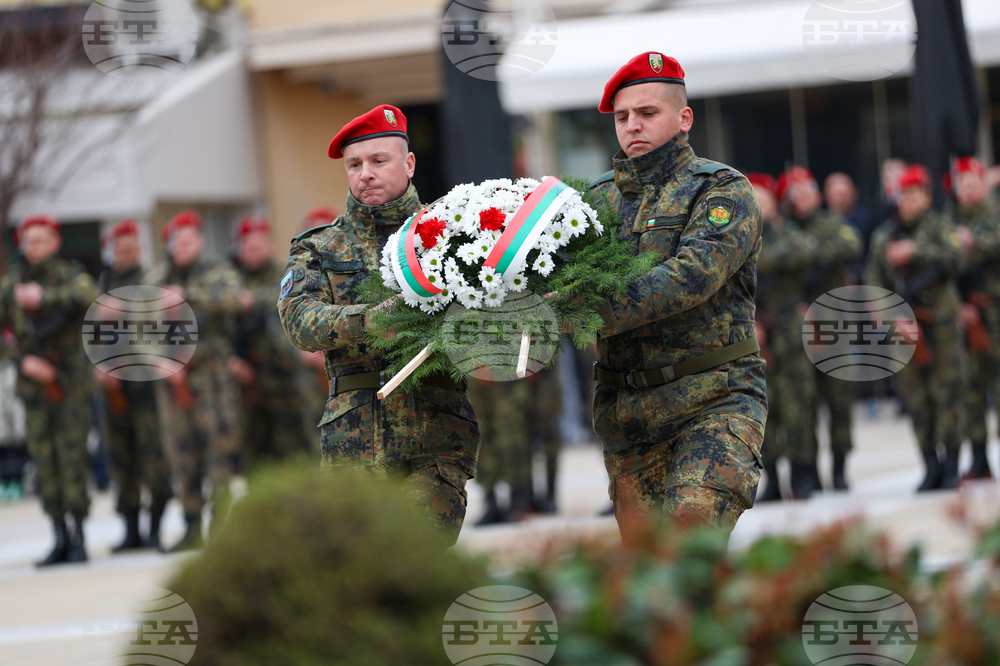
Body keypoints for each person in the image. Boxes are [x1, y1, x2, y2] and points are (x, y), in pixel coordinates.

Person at [277, 105, 480, 546]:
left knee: (417, 560)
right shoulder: (320, 247)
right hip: (352, 443)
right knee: (361, 578)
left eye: (378, 161)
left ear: (408, 164)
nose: (365, 174)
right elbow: (299, 320)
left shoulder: (454, 232)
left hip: (435, 434)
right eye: (355, 164)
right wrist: (369, 320)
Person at [587, 52, 766, 538]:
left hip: (711, 401)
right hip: (629, 420)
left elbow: (690, 276)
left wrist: (583, 311)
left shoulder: (721, 190)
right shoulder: (596, 201)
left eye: (647, 113)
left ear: (684, 118)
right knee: (653, 585)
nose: (632, 127)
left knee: (689, 551)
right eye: (622, 117)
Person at [0, 214, 101, 565]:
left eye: (41, 240)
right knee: (46, 463)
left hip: (69, 386)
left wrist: (46, 296)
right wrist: (20, 361)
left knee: (73, 460)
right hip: (34, 389)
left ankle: (78, 535)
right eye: (29, 241)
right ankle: (58, 535)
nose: (34, 246)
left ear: (55, 243)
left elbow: (93, 297)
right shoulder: (11, 284)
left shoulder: (70, 277)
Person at [865, 165, 967, 491]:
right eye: (903, 195)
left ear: (925, 195)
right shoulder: (885, 235)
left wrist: (916, 251)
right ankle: (930, 466)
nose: (908, 201)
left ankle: (951, 467)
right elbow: (873, 281)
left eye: (914, 194)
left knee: (947, 394)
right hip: (904, 328)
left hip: (941, 325)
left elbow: (957, 257)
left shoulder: (941, 226)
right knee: (916, 398)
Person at [146, 210, 243, 550]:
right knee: (180, 451)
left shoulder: (216, 273)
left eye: (188, 240)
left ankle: (219, 527)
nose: (181, 247)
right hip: (171, 380)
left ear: (200, 242)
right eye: (176, 241)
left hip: (209, 378)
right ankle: (189, 527)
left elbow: (234, 300)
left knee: (217, 449)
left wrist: (185, 294)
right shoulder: (156, 277)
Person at [777, 167, 862, 494]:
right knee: (803, 403)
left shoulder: (829, 223)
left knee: (839, 400)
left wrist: (809, 251)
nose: (804, 199)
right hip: (799, 328)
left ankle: (840, 468)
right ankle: (807, 470)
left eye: (808, 191)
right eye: (796, 194)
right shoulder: (781, 231)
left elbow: (851, 245)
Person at [93, 220, 173, 551]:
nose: (124, 254)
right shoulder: (101, 285)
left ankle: (155, 527)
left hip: (146, 384)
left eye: (130, 248)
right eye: (118, 249)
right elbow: (92, 335)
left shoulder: (151, 282)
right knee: (120, 458)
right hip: (112, 387)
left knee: (154, 456)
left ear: (139, 250)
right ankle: (130, 529)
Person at [750, 173, 819, 502]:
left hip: (789, 329)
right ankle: (773, 478)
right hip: (756, 331)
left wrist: (756, 261)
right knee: (764, 407)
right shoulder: (740, 238)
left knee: (798, 404)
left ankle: (803, 474)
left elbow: (801, 254)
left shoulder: (788, 233)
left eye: (763, 197)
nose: (758, 204)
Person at [228, 215, 310, 472]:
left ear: (269, 245)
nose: (253, 252)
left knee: (291, 450)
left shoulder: (284, 274)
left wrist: (252, 300)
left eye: (258, 245)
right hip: (243, 381)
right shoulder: (229, 279)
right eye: (247, 246)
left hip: (281, 379)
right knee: (252, 454)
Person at [944, 157, 999, 480]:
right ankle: (979, 460)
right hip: (965, 314)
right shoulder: (947, 219)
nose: (968, 189)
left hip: (995, 311)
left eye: (973, 182)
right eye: (962, 183)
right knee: (971, 389)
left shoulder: (993, 215)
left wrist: (972, 243)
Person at [295, 207, 338, 452]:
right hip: (308, 369)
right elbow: (280, 320)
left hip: (345, 366)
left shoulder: (347, 269)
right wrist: (303, 352)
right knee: (315, 434)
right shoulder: (296, 272)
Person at [824, 172, 875, 284]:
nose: (839, 200)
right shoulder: (821, 223)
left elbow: (872, 258)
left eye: (843, 194)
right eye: (835, 195)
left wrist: (855, 274)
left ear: (854, 194)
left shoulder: (866, 221)